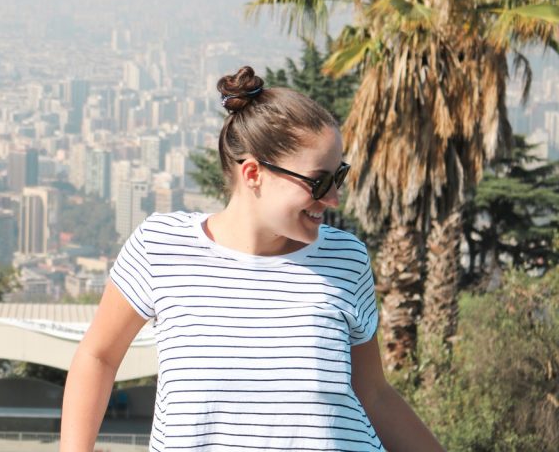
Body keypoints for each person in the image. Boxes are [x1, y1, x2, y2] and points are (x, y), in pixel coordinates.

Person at [60, 66, 443, 451]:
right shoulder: (161, 246)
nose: (333, 199)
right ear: (254, 173)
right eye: (319, 182)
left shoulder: (347, 258)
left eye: (338, 178)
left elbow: (373, 394)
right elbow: (98, 356)